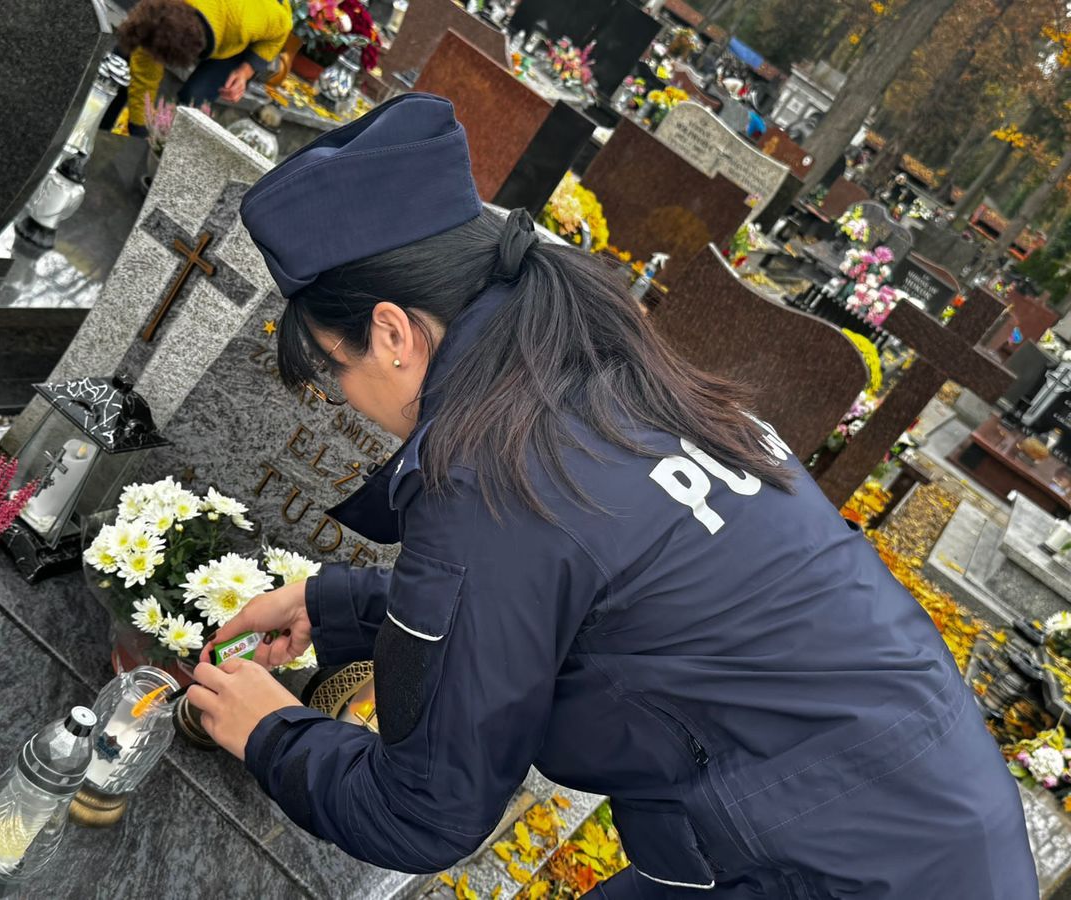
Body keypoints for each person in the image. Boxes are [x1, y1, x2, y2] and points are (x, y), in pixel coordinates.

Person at [186, 93, 1038, 898]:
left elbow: (425, 811)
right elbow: (570, 600)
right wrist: (335, 604)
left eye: (336, 375)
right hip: (909, 822)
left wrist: (270, 733)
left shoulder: (497, 473)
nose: (347, 405)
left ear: (393, 334)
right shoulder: (603, 373)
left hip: (826, 867)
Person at [113, 0, 291, 137]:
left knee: (195, 98)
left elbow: (282, 31)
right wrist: (139, 127)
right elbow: (145, 70)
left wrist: (246, 70)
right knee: (127, 56)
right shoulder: (165, 9)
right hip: (207, 17)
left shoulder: (261, 18)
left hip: (245, 21)